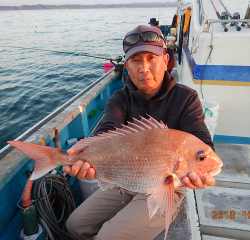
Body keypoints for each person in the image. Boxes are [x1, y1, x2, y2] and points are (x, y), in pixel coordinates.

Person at [64, 25, 215, 240]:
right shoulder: (119, 100)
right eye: (136, 61)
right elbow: (107, 132)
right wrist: (82, 157)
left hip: (167, 184)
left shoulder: (186, 98)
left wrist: (199, 166)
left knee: (107, 237)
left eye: (151, 58)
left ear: (165, 59)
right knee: (75, 225)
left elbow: (201, 142)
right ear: (126, 66)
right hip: (126, 179)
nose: (144, 68)